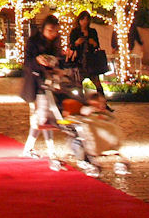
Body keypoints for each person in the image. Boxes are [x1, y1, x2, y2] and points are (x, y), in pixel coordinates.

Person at [20, 15, 62, 161]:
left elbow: (59, 59)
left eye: (54, 31)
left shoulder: (55, 42)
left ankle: (35, 148)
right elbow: (27, 62)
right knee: (41, 118)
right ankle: (44, 150)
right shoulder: (33, 41)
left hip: (49, 84)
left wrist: (57, 65)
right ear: (43, 29)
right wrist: (38, 60)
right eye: (49, 30)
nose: (52, 34)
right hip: (36, 84)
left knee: (45, 118)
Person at [67, 10, 108, 100]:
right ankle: (81, 102)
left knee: (97, 84)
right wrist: (77, 43)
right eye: (83, 19)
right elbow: (71, 46)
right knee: (78, 84)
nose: (85, 22)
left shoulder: (92, 31)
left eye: (87, 20)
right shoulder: (75, 32)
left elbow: (97, 46)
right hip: (79, 62)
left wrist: (93, 43)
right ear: (79, 20)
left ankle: (102, 102)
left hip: (91, 62)